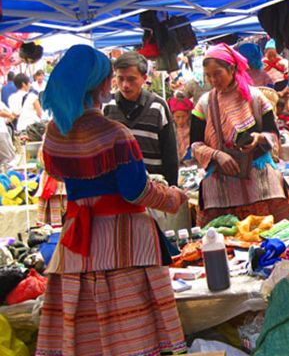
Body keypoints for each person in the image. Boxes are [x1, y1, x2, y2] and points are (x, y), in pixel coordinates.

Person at [36, 44, 187, 355]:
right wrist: (173, 198)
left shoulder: (54, 134)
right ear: (101, 84)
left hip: (77, 240)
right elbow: (136, 191)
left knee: (86, 333)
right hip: (125, 243)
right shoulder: (114, 133)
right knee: (130, 336)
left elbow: (60, 173)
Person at [191, 43, 289, 226]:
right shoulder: (204, 104)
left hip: (259, 178)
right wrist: (218, 155)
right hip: (222, 180)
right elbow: (195, 144)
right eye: (208, 75)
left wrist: (259, 138)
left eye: (217, 73)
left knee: (276, 233)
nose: (213, 80)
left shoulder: (255, 98)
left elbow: (273, 133)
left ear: (231, 69)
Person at [104, 51, 179, 186]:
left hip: (154, 189)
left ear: (144, 78)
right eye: (121, 78)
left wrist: (172, 188)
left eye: (131, 79)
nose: (125, 85)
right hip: (118, 188)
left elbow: (170, 154)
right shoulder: (108, 107)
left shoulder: (158, 107)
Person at [169, 93, 194, 163]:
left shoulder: (193, 130)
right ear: (172, 116)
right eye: (177, 117)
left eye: (184, 116)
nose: (181, 120)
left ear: (188, 115)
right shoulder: (170, 131)